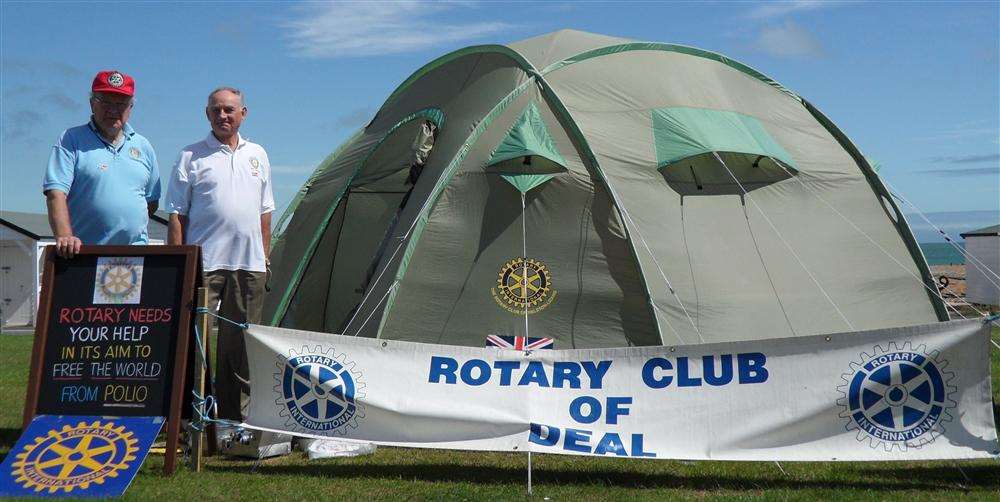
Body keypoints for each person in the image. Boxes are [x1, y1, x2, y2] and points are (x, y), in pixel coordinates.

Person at [165, 87, 274, 421]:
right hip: (204, 264)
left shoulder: (259, 154)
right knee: (192, 341)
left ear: (243, 113)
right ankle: (190, 415)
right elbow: (176, 216)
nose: (223, 116)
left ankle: (232, 419)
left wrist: (264, 258)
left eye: (229, 110)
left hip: (249, 265)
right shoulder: (190, 156)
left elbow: (265, 213)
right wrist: (179, 263)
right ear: (207, 114)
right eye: (216, 110)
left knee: (239, 346)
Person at [43, 70, 160, 257]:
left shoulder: (144, 146)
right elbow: (55, 193)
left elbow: (151, 202)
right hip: (84, 254)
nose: (113, 110)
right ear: (92, 104)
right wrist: (65, 236)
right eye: (105, 102)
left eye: (120, 104)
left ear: (131, 108)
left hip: (135, 255)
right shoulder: (71, 139)